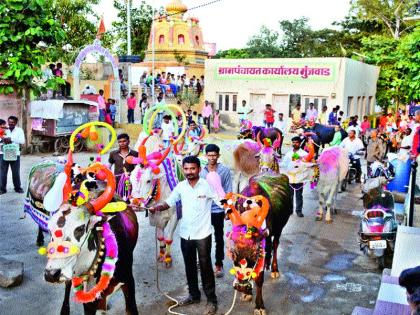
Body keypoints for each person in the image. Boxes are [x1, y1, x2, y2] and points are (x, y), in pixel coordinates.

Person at [148, 156, 219, 315]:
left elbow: (220, 200)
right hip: (185, 234)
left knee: (206, 268)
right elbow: (170, 201)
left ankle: (212, 300)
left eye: (192, 168)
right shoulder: (181, 186)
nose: (189, 172)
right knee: (189, 266)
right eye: (186, 169)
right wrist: (157, 207)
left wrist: (230, 210)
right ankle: (194, 295)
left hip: (203, 234)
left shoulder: (206, 185)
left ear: (199, 169)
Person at [200, 144, 232, 278]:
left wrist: (228, 210)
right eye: (209, 155)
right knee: (202, 238)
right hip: (205, 210)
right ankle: (202, 261)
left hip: (219, 210)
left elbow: (228, 189)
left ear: (218, 156)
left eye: (214, 155)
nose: (212, 158)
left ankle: (219, 264)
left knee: (219, 238)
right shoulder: (201, 172)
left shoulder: (224, 171)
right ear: (205, 156)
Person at [281, 136, 308, 217]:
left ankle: (299, 211)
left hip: (299, 178)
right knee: (290, 195)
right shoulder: (289, 154)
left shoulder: (304, 154)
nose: (294, 144)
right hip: (290, 178)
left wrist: (301, 160)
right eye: (293, 142)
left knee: (299, 195)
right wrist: (277, 162)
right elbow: (284, 164)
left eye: (296, 142)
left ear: (300, 143)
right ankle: (290, 210)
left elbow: (307, 165)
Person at [0, 116, 25, 195]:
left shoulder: (19, 130)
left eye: (13, 122)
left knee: (16, 172)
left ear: (16, 123)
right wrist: (3, 139)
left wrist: (11, 139)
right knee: (3, 172)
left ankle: (18, 188)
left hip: (15, 153)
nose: (11, 123)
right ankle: (2, 189)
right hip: (3, 153)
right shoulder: (4, 129)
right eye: (9, 122)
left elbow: (22, 141)